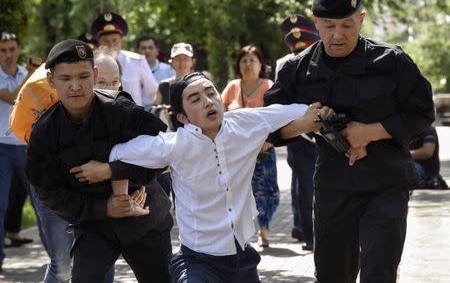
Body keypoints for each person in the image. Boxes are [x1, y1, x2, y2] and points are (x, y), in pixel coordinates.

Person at [75, 72, 332, 283]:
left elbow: (297, 111)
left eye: (211, 93)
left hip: (244, 258)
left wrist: (323, 119)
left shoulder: (245, 122)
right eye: (195, 99)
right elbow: (118, 151)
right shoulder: (173, 145)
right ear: (183, 118)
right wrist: (119, 191)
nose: (208, 101)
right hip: (199, 264)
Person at [264, 0, 435, 283]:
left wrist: (371, 132)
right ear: (316, 23)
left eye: (347, 25)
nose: (338, 35)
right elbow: (270, 126)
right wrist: (307, 123)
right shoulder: (299, 70)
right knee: (333, 275)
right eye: (328, 26)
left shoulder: (391, 61)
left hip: (385, 184)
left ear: (362, 19)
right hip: (333, 187)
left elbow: (422, 113)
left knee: (378, 273)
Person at [25, 39, 173, 283]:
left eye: (83, 76)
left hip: (143, 214)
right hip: (95, 224)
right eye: (65, 79)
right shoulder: (44, 133)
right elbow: (48, 192)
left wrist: (110, 170)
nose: (75, 86)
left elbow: (164, 152)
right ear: (52, 80)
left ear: (94, 74)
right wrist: (104, 208)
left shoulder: (121, 111)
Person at [221, 45, 277, 248]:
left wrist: (270, 139)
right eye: (243, 60)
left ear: (261, 64)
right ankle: (237, 231)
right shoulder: (233, 86)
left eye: (252, 60)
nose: (247, 64)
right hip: (237, 151)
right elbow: (219, 112)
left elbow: (275, 116)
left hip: (263, 148)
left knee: (268, 191)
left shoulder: (268, 86)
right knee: (237, 191)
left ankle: (264, 229)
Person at [276, 14, 320, 250]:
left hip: (325, 134)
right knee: (305, 187)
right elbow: (281, 101)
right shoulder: (286, 64)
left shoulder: (325, 59)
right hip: (299, 136)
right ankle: (310, 237)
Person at [0, 31, 34, 271]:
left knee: (41, 201)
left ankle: (59, 258)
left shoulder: (26, 73)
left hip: (27, 146)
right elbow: (14, 99)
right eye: (3, 50)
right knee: (0, 204)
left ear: (18, 49)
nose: (8, 55)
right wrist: (32, 75)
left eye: (12, 49)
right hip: (1, 148)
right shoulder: (26, 76)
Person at [90, 12, 158, 108]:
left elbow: (154, 93)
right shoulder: (91, 63)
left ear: (122, 41)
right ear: (99, 42)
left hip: (131, 119)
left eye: (115, 40)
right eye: (106, 41)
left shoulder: (137, 61)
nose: (111, 45)